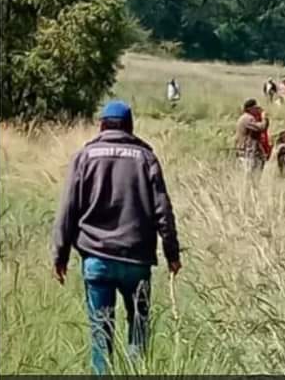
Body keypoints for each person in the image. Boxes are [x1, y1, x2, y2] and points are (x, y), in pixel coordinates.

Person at [51, 100, 181, 375]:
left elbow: (68, 209)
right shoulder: (146, 158)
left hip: (96, 258)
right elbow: (163, 210)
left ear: (102, 125)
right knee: (139, 330)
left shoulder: (84, 157)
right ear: (130, 126)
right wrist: (172, 253)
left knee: (101, 335)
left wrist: (60, 255)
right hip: (137, 260)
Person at [235, 98, 270, 180]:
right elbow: (261, 127)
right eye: (256, 108)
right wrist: (264, 118)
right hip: (248, 151)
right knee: (251, 176)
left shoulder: (244, 118)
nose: (257, 110)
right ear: (250, 109)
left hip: (246, 150)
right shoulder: (248, 118)